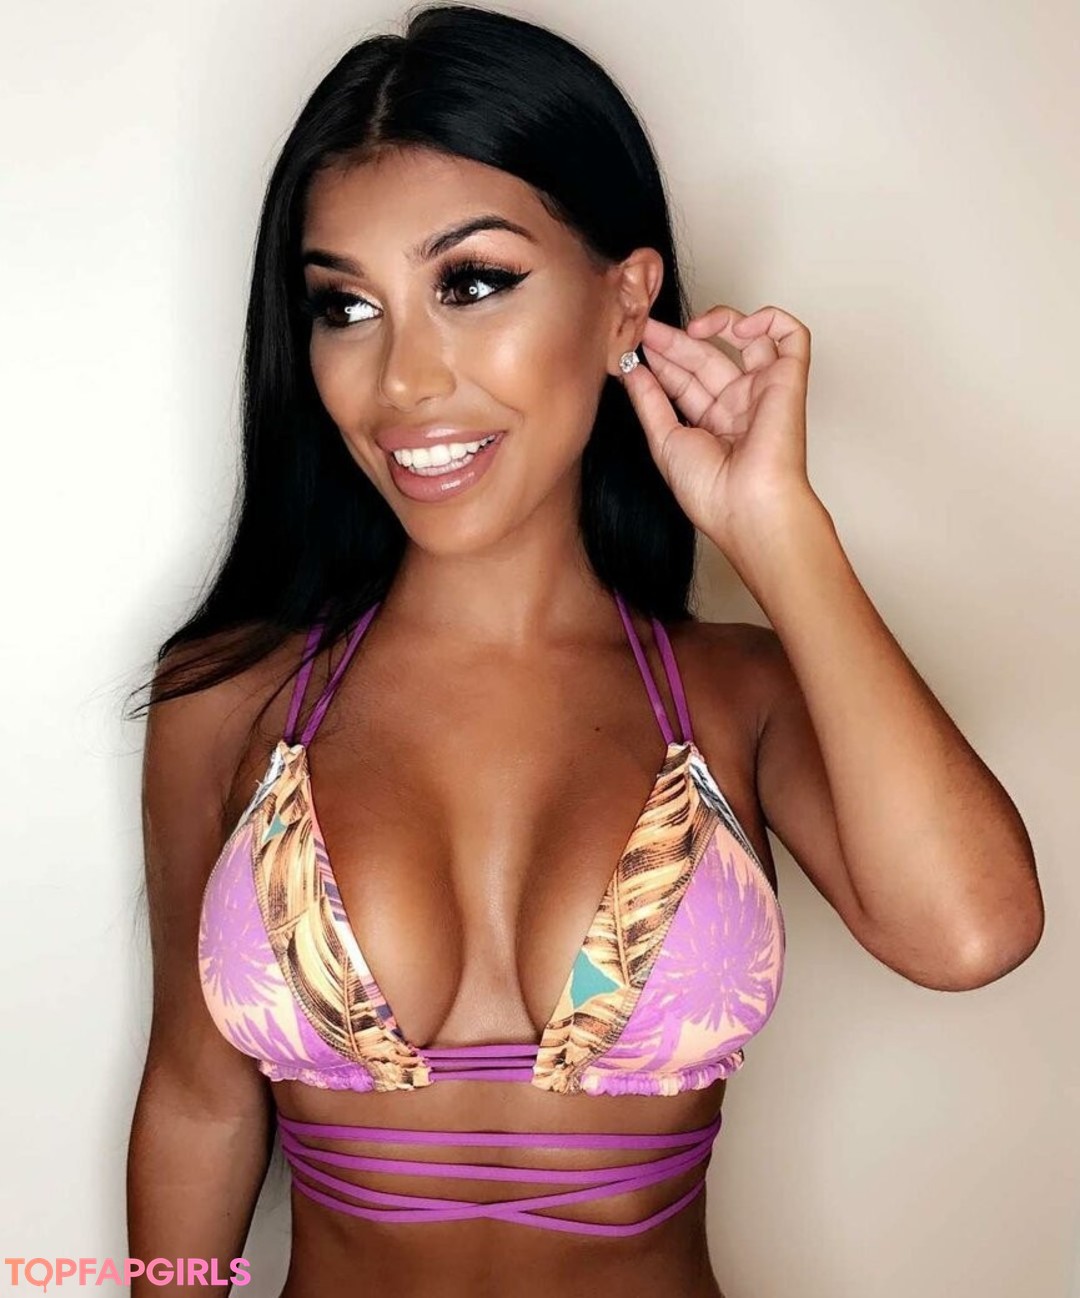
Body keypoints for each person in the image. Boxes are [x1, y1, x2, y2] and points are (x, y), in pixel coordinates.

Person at [124, 5, 1044, 1295]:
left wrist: (776, 526)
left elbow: (971, 933)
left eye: (471, 283)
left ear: (626, 301)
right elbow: (197, 1102)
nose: (404, 381)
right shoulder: (233, 699)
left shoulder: (738, 695)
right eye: (347, 305)